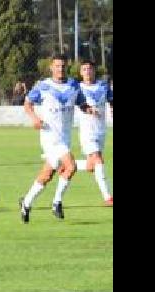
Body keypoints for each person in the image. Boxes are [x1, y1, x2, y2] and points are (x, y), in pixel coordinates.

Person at [17, 54, 98, 223]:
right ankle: (56, 202)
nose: (60, 69)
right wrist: (34, 119)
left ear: (66, 67)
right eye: (57, 66)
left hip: (65, 136)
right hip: (49, 136)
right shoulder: (43, 86)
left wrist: (89, 109)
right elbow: (27, 103)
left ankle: (26, 202)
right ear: (51, 67)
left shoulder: (74, 85)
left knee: (47, 174)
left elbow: (81, 103)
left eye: (63, 66)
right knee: (71, 166)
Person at [75, 60, 114, 206]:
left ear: (94, 71)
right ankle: (108, 197)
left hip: (101, 131)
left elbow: (111, 100)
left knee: (92, 166)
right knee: (98, 160)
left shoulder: (103, 86)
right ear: (80, 72)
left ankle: (66, 164)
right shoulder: (77, 88)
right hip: (87, 133)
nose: (87, 71)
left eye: (90, 69)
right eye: (84, 69)